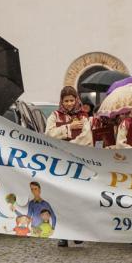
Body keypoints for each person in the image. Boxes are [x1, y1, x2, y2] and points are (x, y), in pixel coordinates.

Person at [45, 86, 91, 245]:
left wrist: (69, 146)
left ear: (76, 100)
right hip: (60, 163)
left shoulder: (83, 117)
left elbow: (86, 138)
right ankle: (63, 234)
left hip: (77, 162)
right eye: (66, 101)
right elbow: (48, 134)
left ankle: (78, 231)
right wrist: (68, 128)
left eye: (72, 100)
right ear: (61, 101)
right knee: (61, 198)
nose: (69, 103)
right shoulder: (54, 116)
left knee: (77, 198)